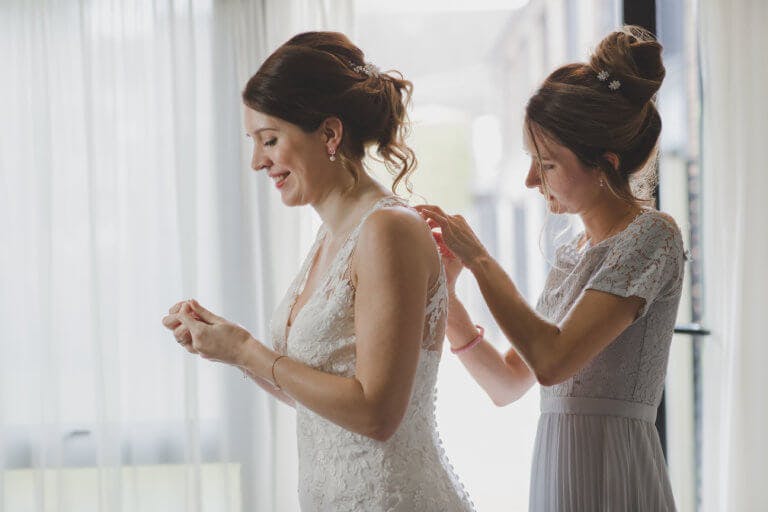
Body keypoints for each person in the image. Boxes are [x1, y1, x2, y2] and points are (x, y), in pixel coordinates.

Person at [162, 32, 474, 512]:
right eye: (253, 142)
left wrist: (247, 348)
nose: (256, 161)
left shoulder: (387, 230)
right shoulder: (332, 235)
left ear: (329, 134)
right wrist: (226, 347)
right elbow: (322, 408)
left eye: (269, 139)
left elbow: (376, 414)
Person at [417, 26, 683, 511]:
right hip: (558, 470)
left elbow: (551, 361)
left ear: (604, 163)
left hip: (615, 469)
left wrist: (479, 259)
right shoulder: (572, 253)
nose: (530, 180)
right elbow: (506, 384)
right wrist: (449, 295)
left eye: (548, 163)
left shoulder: (652, 237)